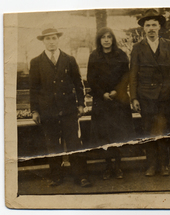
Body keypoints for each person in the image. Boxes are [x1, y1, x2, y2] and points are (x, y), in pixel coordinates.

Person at [29, 26, 91, 187]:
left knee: (74, 143)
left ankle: (81, 176)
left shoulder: (69, 59)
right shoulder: (36, 62)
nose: (51, 41)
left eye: (54, 38)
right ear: (43, 41)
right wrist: (35, 110)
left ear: (58, 39)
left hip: (68, 110)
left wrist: (81, 104)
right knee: (52, 144)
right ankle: (56, 176)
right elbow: (33, 89)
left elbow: (78, 84)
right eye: (47, 39)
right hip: (48, 111)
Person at [130, 9, 170, 176]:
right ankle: (151, 165)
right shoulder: (137, 47)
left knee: (163, 129)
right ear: (143, 28)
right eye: (147, 25)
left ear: (159, 27)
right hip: (145, 96)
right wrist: (134, 97)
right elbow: (133, 73)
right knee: (148, 130)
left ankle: (164, 164)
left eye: (154, 25)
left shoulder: (169, 45)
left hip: (164, 96)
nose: (151, 28)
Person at [87, 27, 135, 180]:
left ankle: (118, 166)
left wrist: (116, 91)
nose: (106, 40)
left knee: (118, 134)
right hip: (102, 102)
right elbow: (91, 78)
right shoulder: (94, 56)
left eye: (109, 37)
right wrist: (103, 93)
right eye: (103, 37)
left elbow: (126, 76)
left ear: (113, 39)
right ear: (99, 40)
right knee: (104, 135)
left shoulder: (121, 55)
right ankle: (108, 166)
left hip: (119, 101)